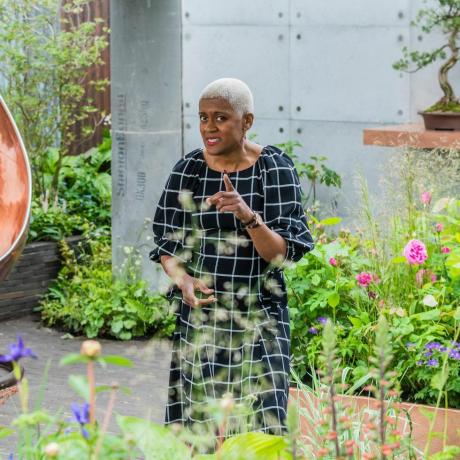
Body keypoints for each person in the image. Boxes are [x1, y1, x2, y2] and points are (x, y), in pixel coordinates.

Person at [149, 77, 314, 435]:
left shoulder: (273, 169)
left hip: (261, 315)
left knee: (264, 423)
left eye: (221, 117)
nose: (209, 127)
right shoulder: (189, 169)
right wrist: (183, 279)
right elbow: (166, 243)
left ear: (247, 121)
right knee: (200, 425)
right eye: (203, 117)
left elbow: (281, 255)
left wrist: (247, 215)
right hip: (202, 317)